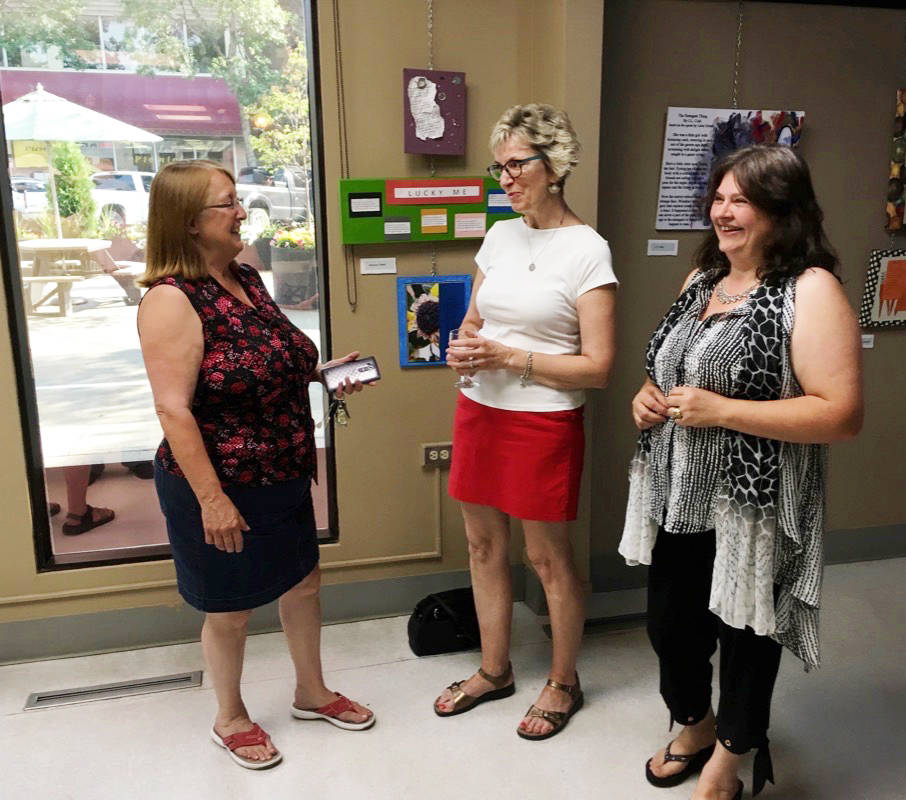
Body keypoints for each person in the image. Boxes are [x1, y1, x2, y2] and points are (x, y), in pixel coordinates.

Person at [619, 145, 863, 800]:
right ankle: (694, 725)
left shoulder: (810, 291)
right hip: (681, 494)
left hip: (755, 505)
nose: (724, 212)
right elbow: (673, 370)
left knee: (748, 632)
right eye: (720, 197)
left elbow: (841, 414)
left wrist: (724, 411)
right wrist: (648, 396)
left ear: (782, 211)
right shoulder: (701, 279)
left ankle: (732, 756)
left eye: (742, 200)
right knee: (671, 627)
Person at [137, 160, 374, 771]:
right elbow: (173, 410)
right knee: (230, 608)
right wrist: (213, 500)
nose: (243, 212)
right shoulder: (170, 300)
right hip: (220, 486)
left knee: (304, 582)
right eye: (229, 203)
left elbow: (269, 363)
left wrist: (321, 375)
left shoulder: (245, 277)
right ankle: (230, 717)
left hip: (284, 473)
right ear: (189, 222)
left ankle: (311, 692)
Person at [434, 104, 618, 740]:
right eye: (500, 166)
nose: (505, 178)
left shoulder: (588, 250)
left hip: (544, 420)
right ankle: (494, 669)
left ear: (555, 166)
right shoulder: (500, 236)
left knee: (546, 560)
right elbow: (474, 323)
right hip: (480, 408)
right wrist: (462, 347)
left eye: (518, 165)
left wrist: (512, 357)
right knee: (483, 546)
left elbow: (598, 368)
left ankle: (564, 681)